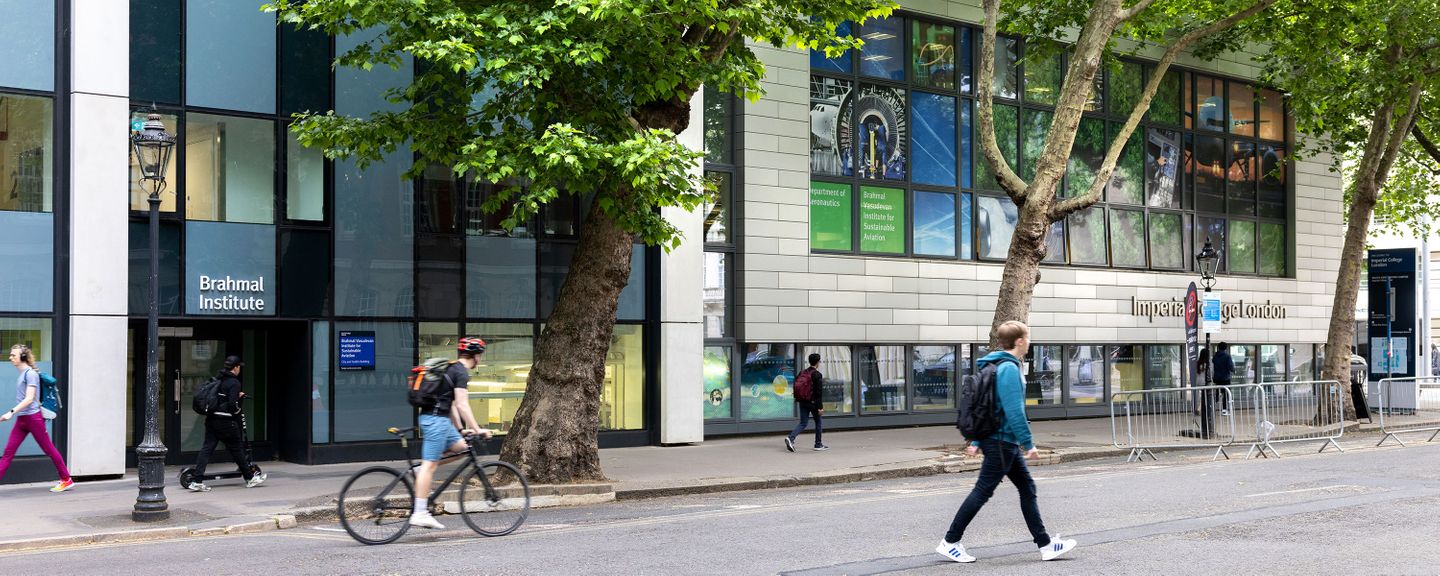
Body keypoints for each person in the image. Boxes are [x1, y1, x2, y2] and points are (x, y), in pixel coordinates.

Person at [936, 321, 1075, 563]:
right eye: (1028, 338)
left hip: (1000, 440)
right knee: (982, 491)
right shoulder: (1009, 368)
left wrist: (977, 441)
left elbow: (990, 406)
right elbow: (1013, 410)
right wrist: (1029, 444)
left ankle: (1045, 545)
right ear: (1020, 341)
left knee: (1027, 488)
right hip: (1002, 442)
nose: (1029, 342)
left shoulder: (996, 364)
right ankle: (950, 541)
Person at [410, 337, 494, 529]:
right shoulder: (461, 373)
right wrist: (477, 428)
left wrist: (461, 429)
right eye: (480, 355)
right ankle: (420, 512)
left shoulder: (452, 368)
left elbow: (452, 405)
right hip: (436, 421)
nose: (480, 359)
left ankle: (420, 469)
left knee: (462, 447)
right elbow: (463, 404)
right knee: (430, 467)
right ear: (476, 356)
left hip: (441, 420)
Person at [0, 344, 73, 492]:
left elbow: (29, 399)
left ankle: (66, 479)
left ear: (23, 357)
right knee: (8, 452)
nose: (10, 357)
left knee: (49, 449)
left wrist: (11, 412)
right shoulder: (22, 374)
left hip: (33, 419)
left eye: (14, 355)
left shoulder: (30, 374)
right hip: (22, 420)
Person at [188, 355, 265, 491]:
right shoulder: (234, 383)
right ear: (235, 368)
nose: (239, 369)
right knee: (237, 449)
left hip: (211, 420)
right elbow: (232, 406)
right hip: (225, 422)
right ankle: (250, 478)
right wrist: (238, 401)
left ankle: (197, 481)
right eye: (239, 367)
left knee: (206, 449)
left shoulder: (219, 378)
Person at [785, 353, 828, 452]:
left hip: (802, 401)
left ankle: (791, 438)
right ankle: (818, 444)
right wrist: (820, 407)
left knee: (803, 423)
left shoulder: (802, 372)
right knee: (818, 422)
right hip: (813, 402)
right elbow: (818, 393)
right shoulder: (817, 374)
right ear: (817, 362)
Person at [1212, 343, 1235, 416]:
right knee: (1225, 394)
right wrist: (1233, 370)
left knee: (1216, 393)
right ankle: (1224, 410)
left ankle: (1212, 407)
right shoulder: (1227, 356)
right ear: (1225, 348)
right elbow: (1230, 366)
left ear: (1218, 347)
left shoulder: (1215, 356)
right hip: (1225, 378)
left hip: (1216, 378)